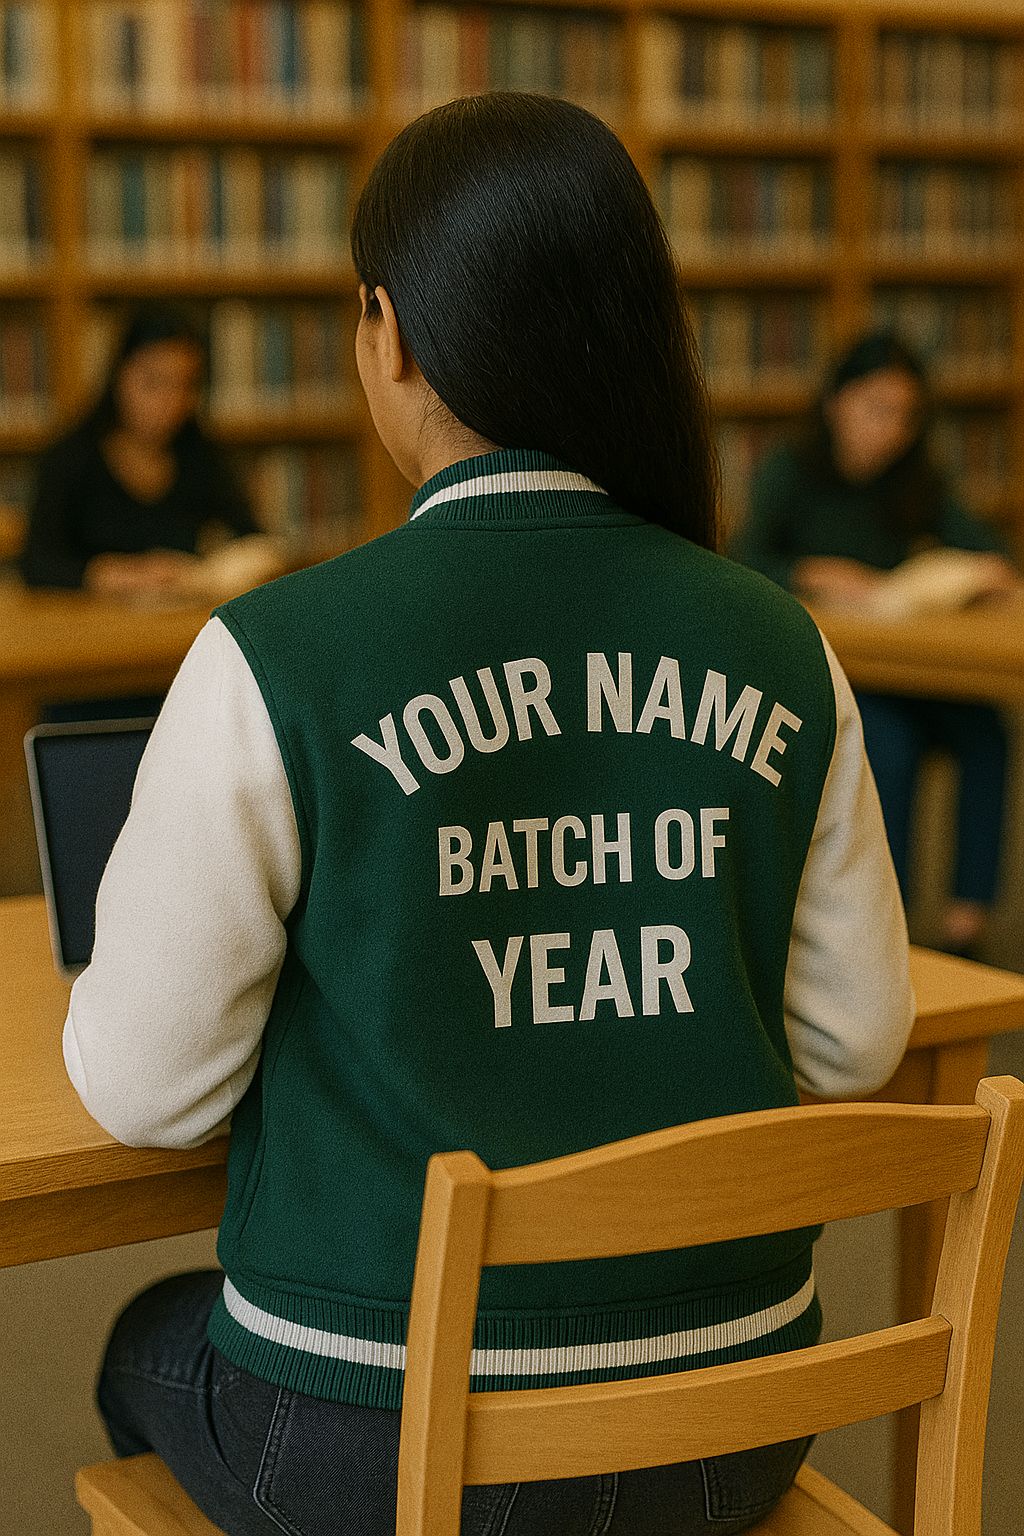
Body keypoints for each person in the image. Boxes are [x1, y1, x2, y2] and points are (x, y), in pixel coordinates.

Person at [63, 96, 913, 1536]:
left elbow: (148, 1095)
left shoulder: (277, 655)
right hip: (732, 1421)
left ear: (387, 331)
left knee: (147, 1338)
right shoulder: (781, 643)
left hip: (389, 1448)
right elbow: (857, 1040)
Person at [734, 331, 1017, 958]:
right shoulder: (791, 469)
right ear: (839, 402)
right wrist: (811, 572)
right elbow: (744, 561)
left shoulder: (916, 476)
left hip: (917, 667)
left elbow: (982, 544)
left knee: (988, 732)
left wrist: (981, 570)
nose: (891, 429)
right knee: (886, 745)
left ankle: (965, 923)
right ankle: (889, 927)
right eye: (876, 408)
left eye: (905, 415)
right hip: (847, 672)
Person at [21, 305, 282, 601]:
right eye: (153, 382)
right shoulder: (72, 457)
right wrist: (113, 575)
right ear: (120, 375)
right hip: (88, 628)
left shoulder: (199, 453)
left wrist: (211, 574)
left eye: (185, 385)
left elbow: (252, 536)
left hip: (178, 624)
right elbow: (37, 564)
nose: (170, 401)